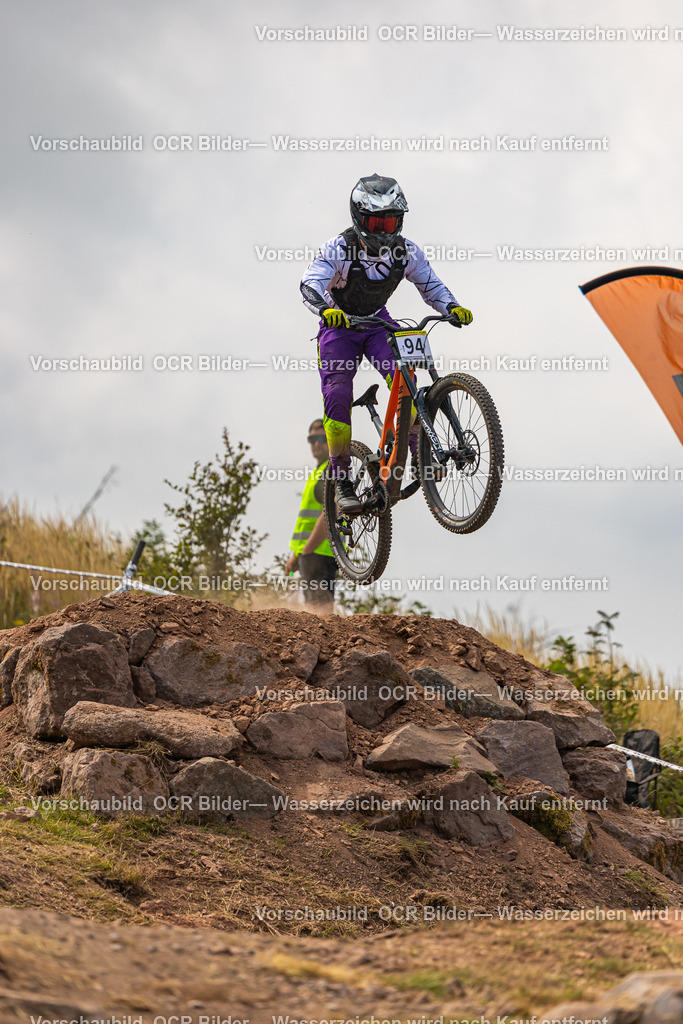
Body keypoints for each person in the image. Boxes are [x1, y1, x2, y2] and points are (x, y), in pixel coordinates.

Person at [300, 173, 473, 513]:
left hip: (379, 324)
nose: (383, 230)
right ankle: (343, 480)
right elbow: (309, 284)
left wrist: (451, 307)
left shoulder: (405, 251)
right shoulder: (339, 249)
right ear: (360, 219)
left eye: (390, 221)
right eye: (376, 222)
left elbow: (431, 285)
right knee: (337, 395)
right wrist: (325, 309)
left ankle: (417, 456)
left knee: (405, 378)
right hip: (340, 326)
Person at [284, 418, 337, 608]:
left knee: (320, 613)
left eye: (322, 438)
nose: (316, 444)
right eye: (312, 439)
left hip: (319, 553)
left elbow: (331, 512)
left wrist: (306, 551)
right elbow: (307, 522)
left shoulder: (329, 471)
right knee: (314, 613)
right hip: (311, 553)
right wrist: (297, 556)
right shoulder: (318, 472)